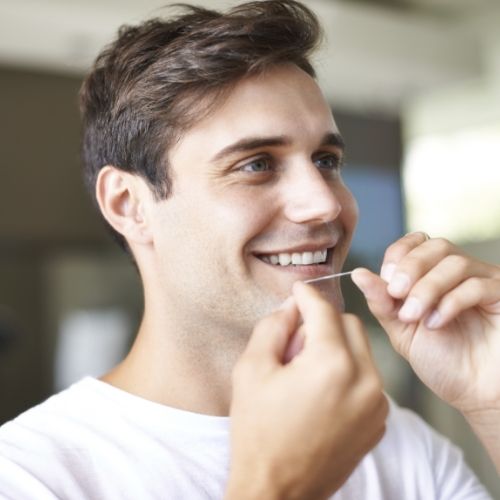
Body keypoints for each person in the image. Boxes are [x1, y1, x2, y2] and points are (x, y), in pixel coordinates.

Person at [0, 1, 499, 498]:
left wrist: (490, 401)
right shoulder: (29, 475)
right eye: (257, 164)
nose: (324, 204)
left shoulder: (397, 441)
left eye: (326, 160)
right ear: (130, 204)